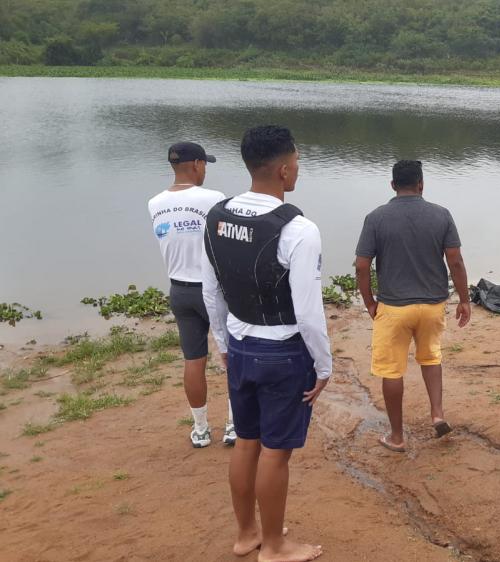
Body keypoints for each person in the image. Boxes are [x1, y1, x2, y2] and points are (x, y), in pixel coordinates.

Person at [202, 125, 332, 562]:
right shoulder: (298, 229)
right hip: (282, 353)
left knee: (247, 442)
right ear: (282, 169)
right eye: (295, 163)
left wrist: (222, 342)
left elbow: (211, 290)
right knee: (276, 453)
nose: (297, 171)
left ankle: (246, 534)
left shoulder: (217, 217)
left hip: (239, 345)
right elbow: (309, 312)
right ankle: (274, 546)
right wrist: (324, 365)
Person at [355, 160, 471, 453]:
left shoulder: (376, 218)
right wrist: (465, 299)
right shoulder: (441, 215)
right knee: (431, 358)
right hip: (432, 305)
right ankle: (437, 414)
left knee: (392, 371)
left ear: (392, 186)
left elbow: (361, 266)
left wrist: (369, 302)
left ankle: (396, 437)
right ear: (421, 184)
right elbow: (455, 261)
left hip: (393, 308)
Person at [147, 142, 234, 448]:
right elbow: (226, 242)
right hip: (212, 291)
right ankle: (233, 425)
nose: (206, 170)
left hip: (179, 290)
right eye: (205, 164)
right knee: (231, 356)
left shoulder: (154, 203)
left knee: (193, 360)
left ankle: (200, 429)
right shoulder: (214, 198)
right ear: (196, 164)